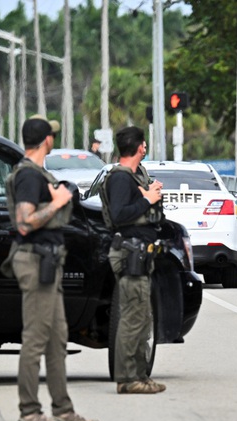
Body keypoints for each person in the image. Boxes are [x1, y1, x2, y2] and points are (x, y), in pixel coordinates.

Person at [5, 115, 98, 421]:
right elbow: (24, 222)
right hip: (35, 260)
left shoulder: (36, 172)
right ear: (47, 140)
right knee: (35, 337)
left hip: (48, 260)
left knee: (57, 337)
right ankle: (28, 412)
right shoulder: (29, 176)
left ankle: (63, 408)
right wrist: (58, 202)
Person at [101, 127, 166, 394]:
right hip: (130, 254)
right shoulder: (119, 177)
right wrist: (148, 199)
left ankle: (140, 374)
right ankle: (127, 378)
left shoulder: (132, 178)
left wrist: (147, 192)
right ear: (141, 147)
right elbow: (118, 215)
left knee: (142, 317)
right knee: (132, 317)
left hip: (140, 254)